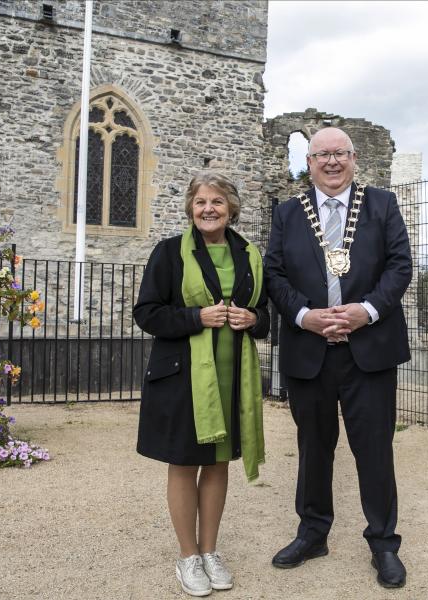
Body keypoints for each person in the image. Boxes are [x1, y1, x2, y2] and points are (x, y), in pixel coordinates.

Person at [264, 127, 412, 588]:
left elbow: (399, 265)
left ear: (353, 159)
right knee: (313, 448)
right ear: (308, 161)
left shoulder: (382, 204)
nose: (331, 162)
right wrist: (304, 315)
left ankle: (383, 544)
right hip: (310, 349)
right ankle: (312, 533)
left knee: (374, 450)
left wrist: (365, 312)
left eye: (340, 154)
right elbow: (274, 272)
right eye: (322, 154)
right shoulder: (287, 213)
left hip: (369, 349)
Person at [134, 172, 269, 597]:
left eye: (216, 201)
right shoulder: (170, 253)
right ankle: (188, 556)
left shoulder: (249, 254)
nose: (208, 209)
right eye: (200, 202)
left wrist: (254, 319)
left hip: (233, 378)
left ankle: (211, 551)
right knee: (184, 462)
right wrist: (196, 317)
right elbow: (147, 313)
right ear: (190, 208)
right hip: (182, 378)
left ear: (231, 209)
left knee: (217, 464)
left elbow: (264, 311)